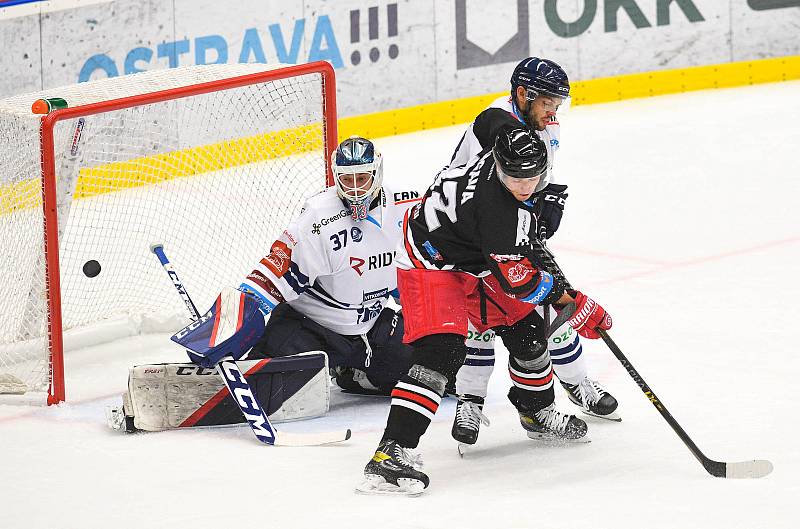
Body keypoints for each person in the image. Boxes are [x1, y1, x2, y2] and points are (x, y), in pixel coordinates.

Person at [358, 126, 613, 495]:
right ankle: (391, 452)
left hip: (473, 254)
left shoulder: (500, 149)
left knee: (527, 331)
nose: (524, 186)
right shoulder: (497, 213)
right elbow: (521, 283)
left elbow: (490, 120)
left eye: (532, 177)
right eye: (514, 177)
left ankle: (535, 411)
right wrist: (573, 302)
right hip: (429, 264)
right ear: (498, 165)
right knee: (442, 352)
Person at [446, 58, 619, 449]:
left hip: (510, 229)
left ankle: (575, 385)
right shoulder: (496, 123)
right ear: (523, 95)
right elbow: (488, 194)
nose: (553, 111)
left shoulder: (541, 121)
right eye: (547, 102)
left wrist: (550, 195)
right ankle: (470, 401)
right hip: (474, 242)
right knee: (480, 322)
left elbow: (540, 168)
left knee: (547, 310)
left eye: (559, 103)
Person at [172, 136, 419, 396]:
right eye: (347, 180)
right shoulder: (318, 217)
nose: (355, 189)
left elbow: (414, 269)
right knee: (263, 389)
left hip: (372, 328)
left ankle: (352, 373)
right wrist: (223, 329)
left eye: (362, 179)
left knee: (426, 371)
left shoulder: (407, 207)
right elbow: (271, 277)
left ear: (376, 174)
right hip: (312, 328)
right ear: (336, 177)